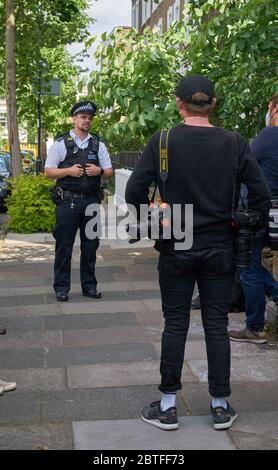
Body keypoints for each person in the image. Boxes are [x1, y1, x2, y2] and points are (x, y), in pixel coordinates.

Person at [125, 75, 270, 431]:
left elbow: (133, 192)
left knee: (175, 323)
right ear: (214, 105)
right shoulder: (235, 143)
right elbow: (262, 196)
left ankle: (169, 405)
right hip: (220, 247)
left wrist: (153, 216)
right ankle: (220, 406)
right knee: (216, 326)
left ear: (179, 104)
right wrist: (243, 221)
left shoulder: (163, 141)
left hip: (176, 243)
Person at [44, 101, 113, 301]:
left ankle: (89, 287)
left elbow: (109, 172)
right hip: (67, 202)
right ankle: (61, 288)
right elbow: (48, 171)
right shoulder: (61, 143)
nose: (87, 121)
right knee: (64, 246)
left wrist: (99, 171)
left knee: (91, 246)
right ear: (74, 119)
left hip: (91, 202)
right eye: (83, 117)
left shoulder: (98, 144)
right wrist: (69, 171)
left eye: (90, 118)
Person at [229, 94, 278, 344]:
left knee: (248, 268)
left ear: (275, 108)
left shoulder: (269, 135)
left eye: (269, 108)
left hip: (261, 212)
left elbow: (243, 165)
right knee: (256, 267)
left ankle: (255, 327)